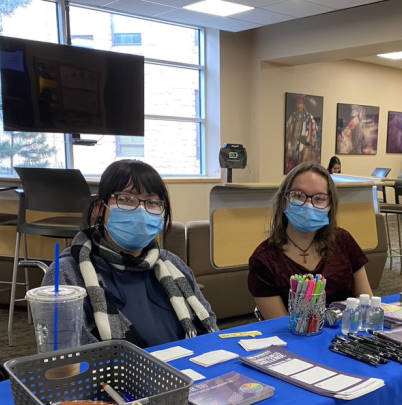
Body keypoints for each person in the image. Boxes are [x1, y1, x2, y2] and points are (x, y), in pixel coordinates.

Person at [42, 159, 218, 346]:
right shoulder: (68, 274)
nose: (141, 210)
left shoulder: (172, 264)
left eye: (152, 202)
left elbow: (209, 329)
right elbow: (66, 352)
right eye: (126, 199)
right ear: (100, 208)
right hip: (116, 373)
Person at [248, 162, 373, 320]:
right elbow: (281, 326)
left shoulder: (343, 240)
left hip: (348, 336)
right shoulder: (264, 260)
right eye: (299, 196)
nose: (308, 205)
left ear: (330, 205)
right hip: (296, 340)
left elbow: (366, 303)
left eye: (319, 198)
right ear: (284, 200)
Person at [284, 95, 320, 173]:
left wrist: (309, 142)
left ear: (304, 105)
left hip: (305, 142)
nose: (299, 105)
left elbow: (314, 130)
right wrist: (290, 141)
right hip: (294, 141)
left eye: (301, 103)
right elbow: (288, 128)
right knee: (293, 162)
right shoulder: (293, 116)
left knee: (304, 162)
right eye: (298, 103)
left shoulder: (309, 117)